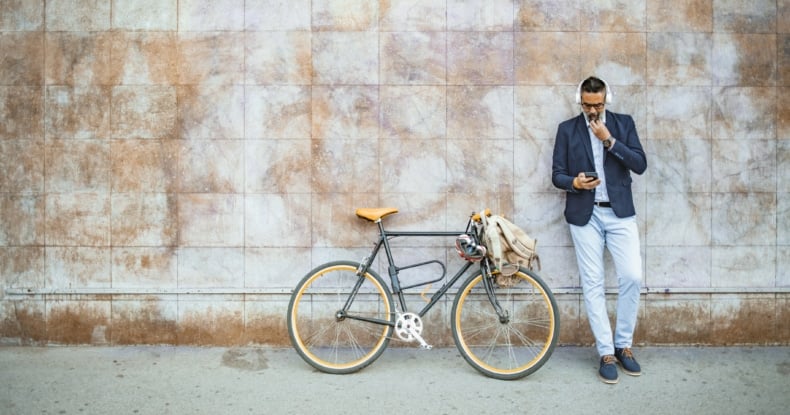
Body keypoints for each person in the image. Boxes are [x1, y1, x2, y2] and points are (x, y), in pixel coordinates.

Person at [551, 76, 647, 384]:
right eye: (588, 105)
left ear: (608, 99)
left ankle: (624, 345)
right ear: (578, 100)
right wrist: (575, 183)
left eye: (599, 104)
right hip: (585, 215)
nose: (593, 110)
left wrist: (610, 140)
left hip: (619, 214)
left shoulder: (623, 124)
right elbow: (557, 175)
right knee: (593, 283)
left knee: (632, 276)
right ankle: (606, 352)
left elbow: (640, 164)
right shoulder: (567, 129)